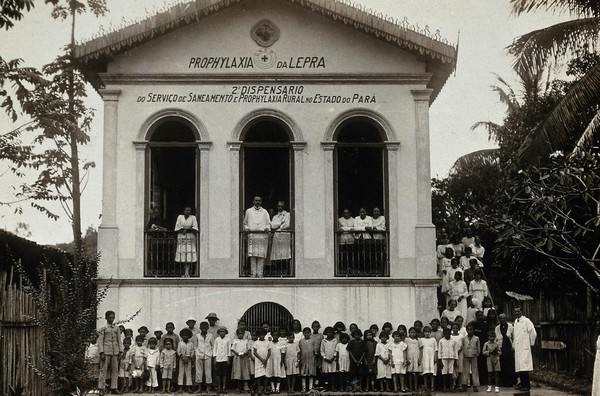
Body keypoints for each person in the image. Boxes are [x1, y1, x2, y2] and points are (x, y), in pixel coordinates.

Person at [244, 196, 271, 277]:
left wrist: (267, 228)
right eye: (256, 200)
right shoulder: (248, 211)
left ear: (261, 202)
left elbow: (268, 223)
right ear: (253, 201)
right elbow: (245, 223)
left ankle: (260, 274)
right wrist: (247, 229)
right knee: (253, 256)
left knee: (261, 256)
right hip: (252, 235)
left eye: (259, 200)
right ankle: (253, 273)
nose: (257, 202)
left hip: (262, 236)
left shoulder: (265, 212)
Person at [97, 310, 123, 395]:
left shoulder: (116, 328)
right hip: (106, 351)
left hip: (115, 352)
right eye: (110, 317)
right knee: (103, 370)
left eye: (113, 317)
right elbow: (100, 341)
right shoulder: (103, 328)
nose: (112, 319)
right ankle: (101, 388)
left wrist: (120, 351)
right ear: (106, 317)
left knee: (115, 370)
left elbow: (119, 340)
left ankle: (114, 388)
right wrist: (101, 352)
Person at [513, 307, 537, 392]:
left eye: (518, 311)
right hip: (518, 348)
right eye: (515, 311)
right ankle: (522, 384)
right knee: (519, 367)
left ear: (522, 311)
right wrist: (514, 346)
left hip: (524, 348)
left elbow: (533, 333)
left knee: (524, 367)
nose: (517, 313)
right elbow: (515, 336)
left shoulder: (527, 321)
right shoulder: (516, 322)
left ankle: (527, 385)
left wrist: (531, 343)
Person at [174, 206, 198, 277]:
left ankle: (188, 272)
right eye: (187, 210)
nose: (188, 212)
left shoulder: (193, 217)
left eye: (189, 210)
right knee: (183, 253)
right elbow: (177, 227)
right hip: (182, 237)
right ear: (184, 211)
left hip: (190, 237)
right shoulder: (180, 217)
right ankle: (185, 271)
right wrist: (185, 229)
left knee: (189, 253)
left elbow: (195, 227)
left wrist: (186, 230)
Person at [270, 201, 292, 271]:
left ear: (284, 207)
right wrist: (280, 223)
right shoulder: (275, 217)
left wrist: (279, 227)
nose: (280, 208)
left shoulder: (288, 215)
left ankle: (286, 273)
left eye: (282, 206)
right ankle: (279, 272)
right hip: (277, 237)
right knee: (277, 256)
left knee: (285, 255)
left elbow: (288, 224)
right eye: (279, 206)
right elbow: (272, 226)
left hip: (285, 237)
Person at [495, 313, 515, 387]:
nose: (502, 320)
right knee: (502, 363)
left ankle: (510, 381)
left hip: (508, 346)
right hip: (501, 347)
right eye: (501, 318)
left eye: (504, 318)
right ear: (499, 319)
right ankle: (503, 381)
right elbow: (496, 339)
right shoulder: (497, 328)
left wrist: (513, 346)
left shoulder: (510, 326)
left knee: (509, 364)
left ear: (506, 319)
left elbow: (513, 337)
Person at [194, 321, 214, 393]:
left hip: (208, 356)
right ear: (200, 328)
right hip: (199, 355)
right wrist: (197, 353)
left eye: (205, 328)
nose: (204, 329)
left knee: (208, 372)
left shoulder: (210, 336)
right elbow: (195, 346)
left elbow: (213, 346)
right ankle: (199, 388)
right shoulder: (197, 336)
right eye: (202, 328)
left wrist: (211, 354)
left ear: (208, 328)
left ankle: (208, 388)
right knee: (199, 372)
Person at [231, 328, 251, 393]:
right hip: (237, 358)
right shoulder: (235, 341)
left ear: (244, 334)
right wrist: (238, 354)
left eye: (242, 334)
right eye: (239, 334)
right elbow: (232, 349)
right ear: (237, 334)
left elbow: (248, 349)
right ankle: (239, 387)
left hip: (245, 358)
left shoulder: (246, 341)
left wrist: (245, 353)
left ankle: (246, 386)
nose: (240, 335)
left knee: (245, 371)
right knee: (238, 372)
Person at [461, 324, 480, 392]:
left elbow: (478, 348)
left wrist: (476, 354)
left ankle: (475, 385)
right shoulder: (464, 338)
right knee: (465, 370)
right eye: (468, 330)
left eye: (471, 330)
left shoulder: (476, 338)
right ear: (466, 330)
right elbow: (462, 347)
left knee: (475, 370)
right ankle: (464, 384)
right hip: (466, 356)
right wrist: (464, 353)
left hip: (474, 355)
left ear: (473, 330)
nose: (470, 331)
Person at [438, 328, 457, 393]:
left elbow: (455, 351)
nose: (447, 335)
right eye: (445, 334)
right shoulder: (441, 341)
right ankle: (444, 386)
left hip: (451, 358)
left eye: (448, 334)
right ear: (443, 334)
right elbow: (439, 351)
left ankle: (451, 387)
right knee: (444, 373)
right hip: (444, 358)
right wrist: (440, 360)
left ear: (450, 334)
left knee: (451, 373)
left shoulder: (453, 341)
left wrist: (456, 360)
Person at [253, 328, 272, 394]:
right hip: (259, 361)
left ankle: (265, 389)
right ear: (258, 335)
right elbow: (255, 352)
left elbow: (269, 352)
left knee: (265, 375)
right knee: (259, 375)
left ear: (265, 335)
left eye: (263, 335)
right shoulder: (256, 342)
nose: (261, 336)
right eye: (260, 335)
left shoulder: (267, 342)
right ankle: (259, 389)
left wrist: (266, 360)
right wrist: (261, 359)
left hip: (266, 361)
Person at [213, 327, 231, 393]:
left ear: (225, 332)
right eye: (220, 331)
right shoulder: (216, 339)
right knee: (218, 374)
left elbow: (229, 349)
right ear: (219, 332)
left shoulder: (228, 339)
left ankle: (224, 387)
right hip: (218, 359)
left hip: (225, 359)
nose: (222, 333)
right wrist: (214, 359)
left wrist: (228, 359)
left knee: (224, 374)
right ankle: (219, 387)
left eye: (223, 331)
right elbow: (214, 349)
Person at [419, 326, 437, 392]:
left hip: (431, 356)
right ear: (423, 332)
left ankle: (432, 386)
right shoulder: (421, 340)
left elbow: (435, 349)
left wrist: (435, 357)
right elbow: (420, 349)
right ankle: (425, 385)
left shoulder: (433, 339)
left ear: (430, 333)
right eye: (426, 332)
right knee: (425, 372)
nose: (427, 333)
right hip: (424, 357)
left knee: (432, 372)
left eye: (428, 332)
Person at [299, 327, 317, 392]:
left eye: (308, 333)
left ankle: (310, 387)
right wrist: (300, 359)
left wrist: (315, 356)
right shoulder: (301, 341)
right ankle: (303, 388)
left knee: (311, 373)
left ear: (310, 333)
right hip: (303, 359)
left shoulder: (313, 341)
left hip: (311, 359)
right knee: (303, 373)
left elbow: (315, 350)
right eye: (305, 333)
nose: (306, 334)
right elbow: (300, 350)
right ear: (303, 334)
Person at [320, 327, 338, 391]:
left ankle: (333, 386)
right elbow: (321, 350)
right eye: (328, 332)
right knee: (326, 374)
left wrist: (334, 357)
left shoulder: (335, 340)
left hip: (333, 360)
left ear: (333, 333)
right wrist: (325, 358)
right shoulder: (323, 341)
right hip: (326, 360)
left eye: (331, 332)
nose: (329, 334)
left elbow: (336, 349)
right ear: (326, 333)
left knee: (333, 374)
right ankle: (326, 386)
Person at [177, 328, 195, 392]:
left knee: (188, 373)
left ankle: (188, 387)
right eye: (184, 335)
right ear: (182, 336)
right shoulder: (180, 343)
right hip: (181, 359)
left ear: (189, 336)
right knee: (181, 373)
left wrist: (189, 358)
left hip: (188, 359)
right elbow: (178, 351)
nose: (185, 337)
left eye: (187, 335)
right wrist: (182, 357)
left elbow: (193, 351)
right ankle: (180, 388)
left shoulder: (191, 343)